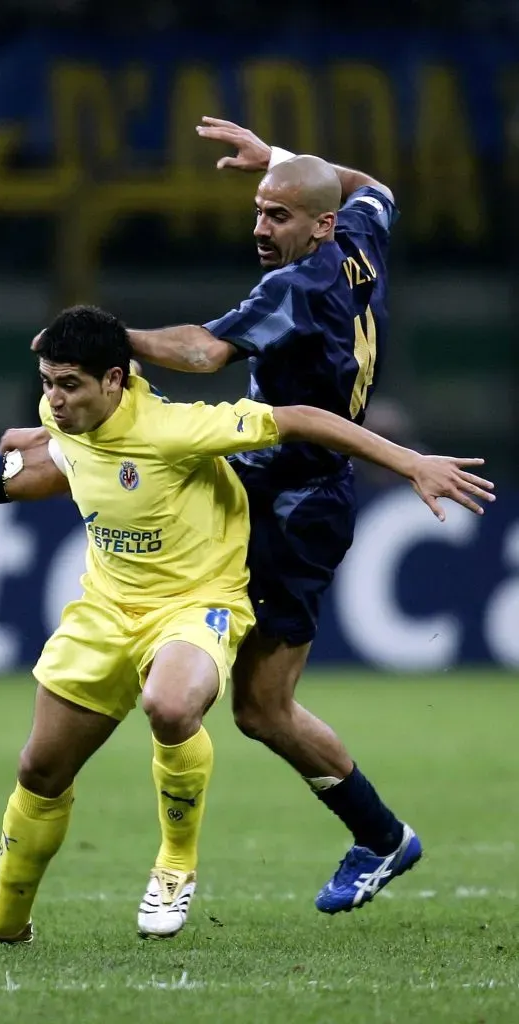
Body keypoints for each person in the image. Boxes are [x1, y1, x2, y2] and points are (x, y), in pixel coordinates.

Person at [0, 305, 494, 944]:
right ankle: (4, 920)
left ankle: (176, 865)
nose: (54, 397)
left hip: (197, 601)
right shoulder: (64, 415)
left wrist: (409, 462)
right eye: (48, 382)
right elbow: (54, 461)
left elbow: (303, 419)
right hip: (105, 609)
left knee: (170, 704)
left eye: (68, 384)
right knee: (40, 771)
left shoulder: (177, 429)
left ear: (114, 380)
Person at [119, 117, 468, 912]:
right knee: (123, 460)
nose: (259, 227)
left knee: (260, 709)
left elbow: (202, 353)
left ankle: (382, 837)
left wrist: (105, 338)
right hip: (258, 473)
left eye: (276, 214)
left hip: (295, 503)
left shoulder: (297, 289)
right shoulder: (355, 242)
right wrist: (280, 161)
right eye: (255, 210)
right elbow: (374, 188)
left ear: (314, 226)